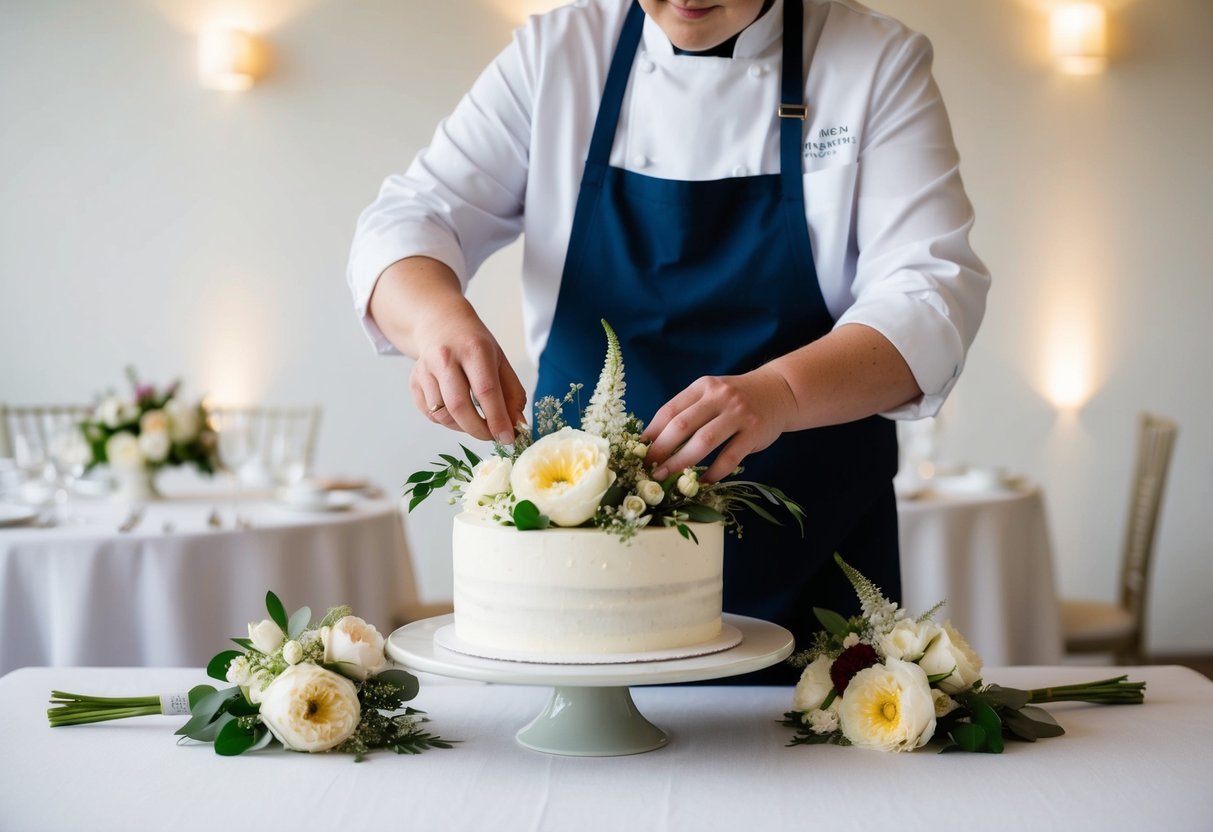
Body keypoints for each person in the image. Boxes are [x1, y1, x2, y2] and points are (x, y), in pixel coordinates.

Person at [347, 0, 989, 683]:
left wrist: (780, 392)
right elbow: (409, 218)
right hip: (579, 579)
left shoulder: (874, 62)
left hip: (811, 570)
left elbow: (931, 295)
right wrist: (437, 321)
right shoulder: (559, 52)